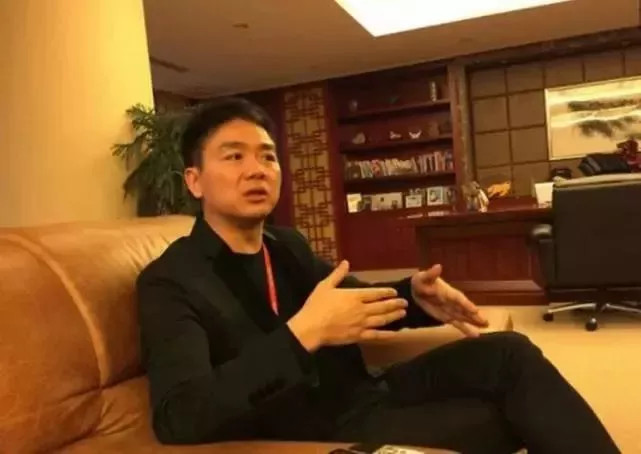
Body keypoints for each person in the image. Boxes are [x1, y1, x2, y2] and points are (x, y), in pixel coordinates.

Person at [136, 97, 619, 454]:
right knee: (517, 414)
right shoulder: (171, 280)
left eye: (267, 155)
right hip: (315, 431)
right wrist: (303, 335)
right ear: (194, 180)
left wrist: (414, 296)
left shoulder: (287, 245)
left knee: (510, 354)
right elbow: (180, 417)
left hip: (367, 391)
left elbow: (358, 301)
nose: (257, 170)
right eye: (233, 156)